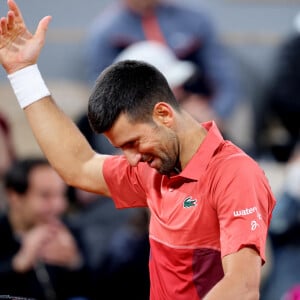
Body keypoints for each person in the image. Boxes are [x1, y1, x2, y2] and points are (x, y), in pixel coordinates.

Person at [0, 1, 276, 299]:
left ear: (164, 114)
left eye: (133, 143)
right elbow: (77, 166)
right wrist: (23, 73)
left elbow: (243, 287)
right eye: (121, 148)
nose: (131, 159)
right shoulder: (151, 169)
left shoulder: (235, 174)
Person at [85, 0, 242, 134]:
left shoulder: (196, 19)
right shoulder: (106, 31)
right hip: (139, 117)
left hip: (195, 113)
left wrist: (214, 113)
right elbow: (104, 99)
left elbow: (225, 80)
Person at [0, 157, 91, 300]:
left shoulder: (69, 230)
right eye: (45, 196)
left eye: (61, 194)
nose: (59, 205)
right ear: (14, 197)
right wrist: (18, 264)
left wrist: (75, 263)